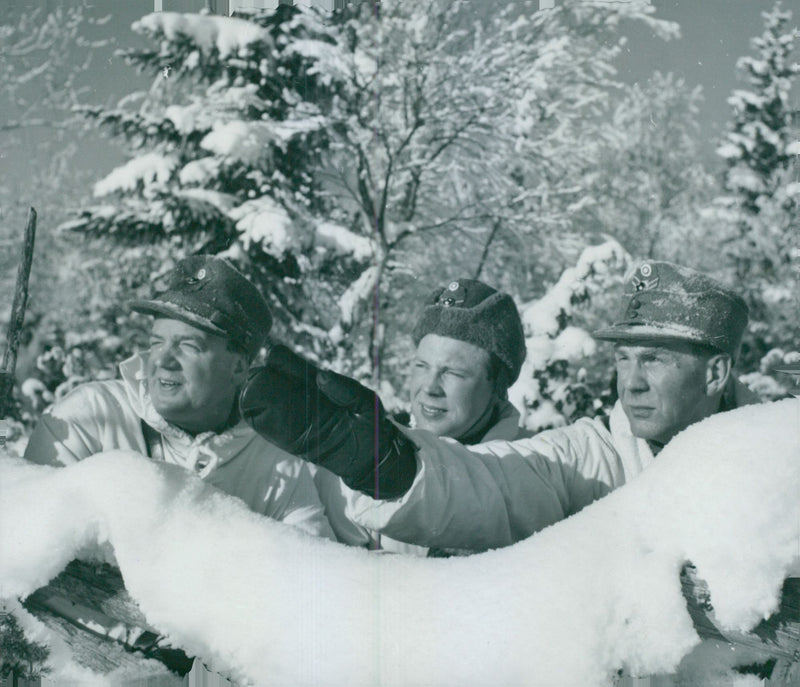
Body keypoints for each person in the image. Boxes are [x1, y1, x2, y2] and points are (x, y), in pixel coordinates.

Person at [240, 259, 757, 553]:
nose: (632, 383)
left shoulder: (775, 459)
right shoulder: (585, 458)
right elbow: (500, 483)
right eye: (623, 359)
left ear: (715, 374)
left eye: (655, 360)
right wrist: (386, 466)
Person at [24, 255, 335, 541]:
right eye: (157, 342)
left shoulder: (275, 462)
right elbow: (28, 539)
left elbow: (311, 573)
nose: (162, 360)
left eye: (188, 346)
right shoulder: (90, 417)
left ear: (239, 367)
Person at [312, 278, 529, 553]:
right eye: (421, 366)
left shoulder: (533, 475)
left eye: (453, 373)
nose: (429, 388)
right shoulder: (365, 458)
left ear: (497, 387)